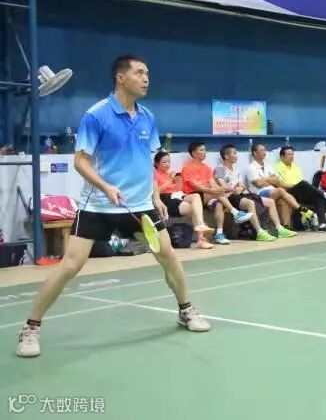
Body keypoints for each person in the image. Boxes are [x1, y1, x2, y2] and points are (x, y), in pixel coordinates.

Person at [16, 55, 210, 358]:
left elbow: (147, 160)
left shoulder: (147, 117)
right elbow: (80, 161)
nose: (146, 78)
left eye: (147, 73)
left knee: (169, 256)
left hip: (139, 204)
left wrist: (156, 197)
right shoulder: (96, 115)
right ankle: (30, 328)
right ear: (121, 77)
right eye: (139, 73)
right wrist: (106, 187)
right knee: (71, 265)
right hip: (98, 204)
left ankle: (186, 310)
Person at [153, 152, 214, 249]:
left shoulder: (170, 174)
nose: (167, 164)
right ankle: (201, 238)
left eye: (169, 161)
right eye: (164, 162)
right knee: (195, 209)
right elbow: (156, 191)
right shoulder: (155, 175)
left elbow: (178, 190)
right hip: (166, 200)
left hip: (176, 196)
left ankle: (201, 225)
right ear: (157, 163)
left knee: (196, 197)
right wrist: (170, 181)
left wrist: (179, 182)